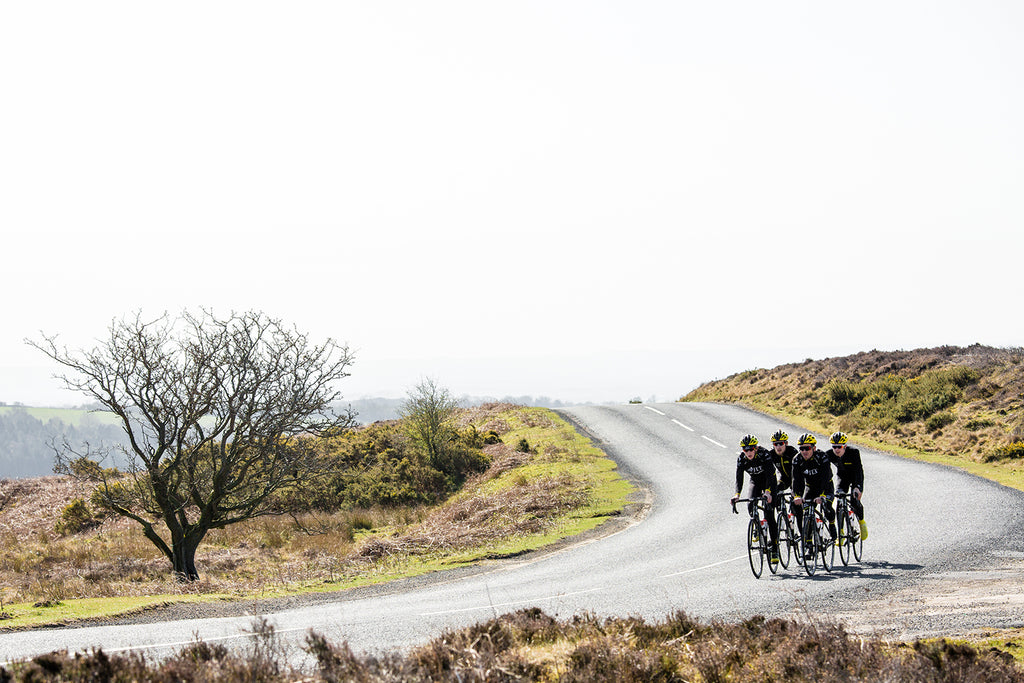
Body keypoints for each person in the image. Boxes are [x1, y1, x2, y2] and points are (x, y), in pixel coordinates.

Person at [731, 434, 781, 563]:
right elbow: (739, 477)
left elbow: (770, 475)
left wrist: (769, 492)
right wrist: (737, 494)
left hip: (769, 482)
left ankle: (775, 548)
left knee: (769, 515)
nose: (748, 452)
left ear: (756, 448)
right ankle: (757, 525)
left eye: (751, 449)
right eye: (745, 450)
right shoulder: (742, 459)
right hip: (755, 481)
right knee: (750, 504)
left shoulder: (764, 454)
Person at [791, 433, 837, 558]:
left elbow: (825, 477)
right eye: (801, 448)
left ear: (814, 448)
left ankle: (832, 524)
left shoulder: (822, 457)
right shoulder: (797, 459)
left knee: (827, 506)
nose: (804, 451)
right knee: (806, 512)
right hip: (810, 487)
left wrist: (822, 495)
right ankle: (809, 545)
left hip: (825, 486)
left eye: (807, 448)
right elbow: (796, 480)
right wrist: (797, 496)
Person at [827, 431, 868, 540]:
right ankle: (841, 533)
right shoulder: (830, 454)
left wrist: (858, 487)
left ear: (844, 446)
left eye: (839, 446)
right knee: (839, 502)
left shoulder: (853, 452)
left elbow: (859, 470)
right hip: (842, 478)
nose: (836, 449)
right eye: (834, 447)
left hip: (855, 477)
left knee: (854, 500)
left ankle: (861, 522)